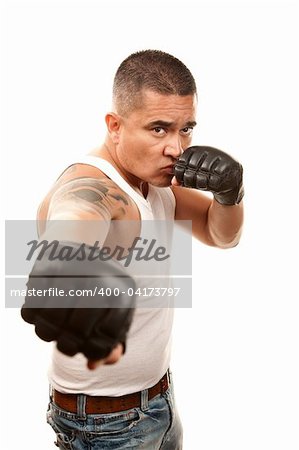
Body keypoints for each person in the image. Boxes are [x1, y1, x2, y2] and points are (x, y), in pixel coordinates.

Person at [21, 49, 244, 449]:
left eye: (186, 128)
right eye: (159, 129)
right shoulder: (96, 184)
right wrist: (67, 264)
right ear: (115, 126)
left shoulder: (158, 185)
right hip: (106, 425)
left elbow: (221, 235)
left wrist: (231, 193)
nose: (177, 148)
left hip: (158, 398)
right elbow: (78, 211)